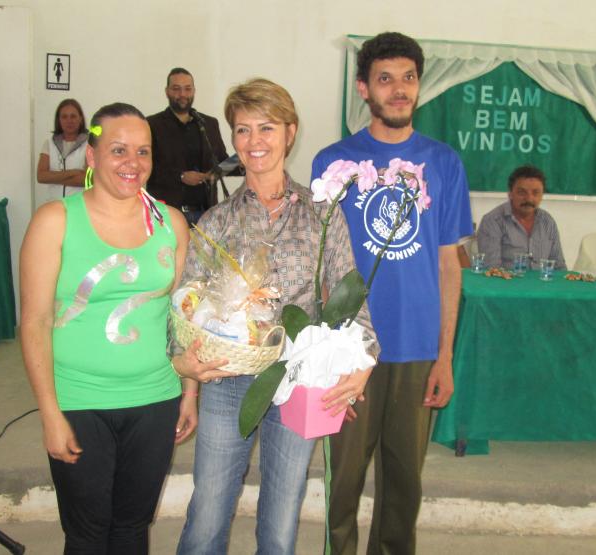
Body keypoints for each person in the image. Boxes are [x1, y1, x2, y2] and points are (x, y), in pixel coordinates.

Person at [176, 78, 378, 555]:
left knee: (281, 522)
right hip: (227, 382)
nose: (254, 142)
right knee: (207, 512)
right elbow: (186, 309)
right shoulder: (217, 221)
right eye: (242, 130)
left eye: (266, 127)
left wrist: (364, 359)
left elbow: (350, 292)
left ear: (290, 132)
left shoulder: (322, 213)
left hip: (299, 381)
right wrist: (187, 374)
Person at [20, 102, 228, 553]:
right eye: (117, 150)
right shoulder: (55, 222)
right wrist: (49, 413)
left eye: (143, 152)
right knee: (87, 532)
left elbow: (183, 318)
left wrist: (189, 391)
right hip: (78, 400)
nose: (132, 164)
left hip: (154, 401)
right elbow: (33, 323)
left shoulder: (171, 224)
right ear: (91, 156)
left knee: (133, 526)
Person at [311, 32, 472, 555]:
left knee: (404, 489)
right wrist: (325, 354)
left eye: (408, 78)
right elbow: (317, 270)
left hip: (419, 348)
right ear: (364, 88)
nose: (399, 90)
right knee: (344, 485)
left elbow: (450, 265)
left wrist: (445, 355)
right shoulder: (333, 162)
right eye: (385, 79)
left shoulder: (443, 163)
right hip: (350, 350)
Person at [147, 68, 230, 225]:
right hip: (167, 214)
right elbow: (147, 168)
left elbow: (220, 161)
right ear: (167, 91)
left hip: (207, 213)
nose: (182, 94)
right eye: (176, 89)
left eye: (187, 89)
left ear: (194, 91)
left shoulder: (209, 123)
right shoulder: (151, 124)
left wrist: (242, 161)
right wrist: (180, 176)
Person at [476, 164, 567, 270]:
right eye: (522, 192)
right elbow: (491, 269)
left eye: (535, 193)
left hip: (542, 285)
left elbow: (558, 266)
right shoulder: (493, 221)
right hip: (506, 284)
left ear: (542, 195)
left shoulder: (547, 221)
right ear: (510, 193)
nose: (529, 198)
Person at [36, 98, 88, 207]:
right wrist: (73, 172)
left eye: (73, 116)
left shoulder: (89, 145)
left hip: (79, 206)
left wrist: (53, 177)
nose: (69, 120)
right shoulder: (49, 144)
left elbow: (87, 179)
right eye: (64, 117)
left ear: (80, 119)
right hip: (53, 205)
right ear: (58, 120)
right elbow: (41, 177)